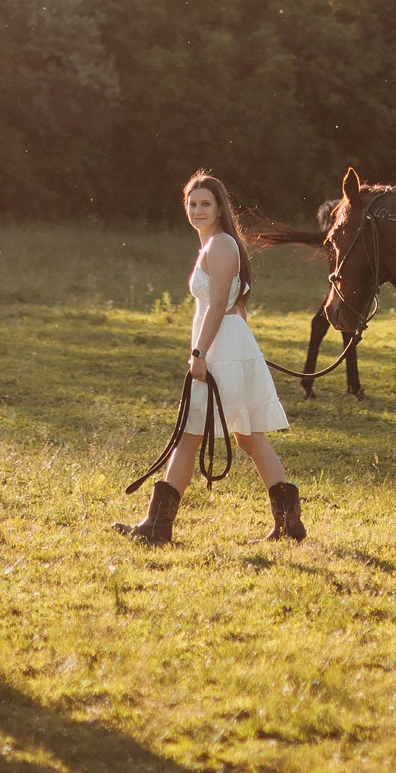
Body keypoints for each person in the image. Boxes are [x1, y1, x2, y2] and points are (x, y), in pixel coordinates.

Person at [116, 170, 304, 545]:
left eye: (206, 203)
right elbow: (233, 305)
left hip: (220, 346)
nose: (198, 209)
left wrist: (200, 353)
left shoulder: (220, 246)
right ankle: (288, 524)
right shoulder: (215, 245)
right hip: (230, 344)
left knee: (194, 435)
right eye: (192, 203)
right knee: (249, 436)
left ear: (220, 209)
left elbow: (219, 304)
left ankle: (157, 526)